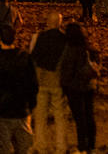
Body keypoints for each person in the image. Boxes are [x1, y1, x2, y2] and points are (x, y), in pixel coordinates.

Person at [0, 24, 38, 154]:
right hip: (22, 111)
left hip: (2, 113)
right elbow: (33, 84)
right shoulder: (24, 58)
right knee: (24, 148)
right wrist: (31, 105)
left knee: (2, 148)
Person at [28, 11, 69, 154]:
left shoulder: (41, 37)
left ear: (48, 22)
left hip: (42, 80)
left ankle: (40, 145)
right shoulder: (65, 39)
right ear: (59, 23)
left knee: (40, 116)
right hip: (57, 80)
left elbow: (34, 58)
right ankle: (61, 147)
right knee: (59, 116)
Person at [59, 22, 99, 154]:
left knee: (80, 118)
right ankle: (91, 143)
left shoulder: (70, 50)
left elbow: (67, 71)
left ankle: (83, 144)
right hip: (89, 85)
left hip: (75, 87)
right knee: (89, 114)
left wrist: (64, 85)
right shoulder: (90, 48)